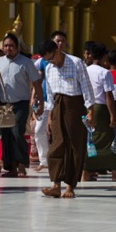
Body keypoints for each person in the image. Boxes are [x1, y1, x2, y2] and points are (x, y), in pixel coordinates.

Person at [39, 40, 95, 198]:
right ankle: (55, 184)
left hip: (74, 106)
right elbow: (50, 95)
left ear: (57, 50)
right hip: (57, 107)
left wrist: (90, 111)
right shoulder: (49, 68)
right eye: (47, 60)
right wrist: (50, 116)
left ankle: (70, 186)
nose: (51, 62)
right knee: (56, 146)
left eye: (51, 58)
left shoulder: (76, 63)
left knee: (74, 146)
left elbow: (86, 87)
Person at [0, 33, 44, 177]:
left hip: (21, 103)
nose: (8, 48)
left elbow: (36, 82)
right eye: (6, 46)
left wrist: (40, 102)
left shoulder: (26, 62)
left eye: (11, 45)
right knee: (6, 135)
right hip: (4, 103)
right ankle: (10, 167)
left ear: (17, 47)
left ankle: (22, 164)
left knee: (17, 132)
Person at [31, 31, 69, 172]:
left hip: (61, 102)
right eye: (57, 41)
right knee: (39, 130)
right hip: (45, 101)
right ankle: (44, 160)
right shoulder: (42, 61)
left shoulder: (70, 61)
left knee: (60, 131)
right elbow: (38, 80)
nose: (59, 43)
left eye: (62, 41)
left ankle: (63, 159)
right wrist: (34, 97)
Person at [83, 43, 116, 181]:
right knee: (107, 140)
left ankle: (86, 171)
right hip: (100, 109)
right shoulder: (105, 73)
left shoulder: (85, 70)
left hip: (86, 107)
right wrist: (113, 115)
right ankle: (115, 172)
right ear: (104, 56)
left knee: (90, 140)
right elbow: (109, 96)